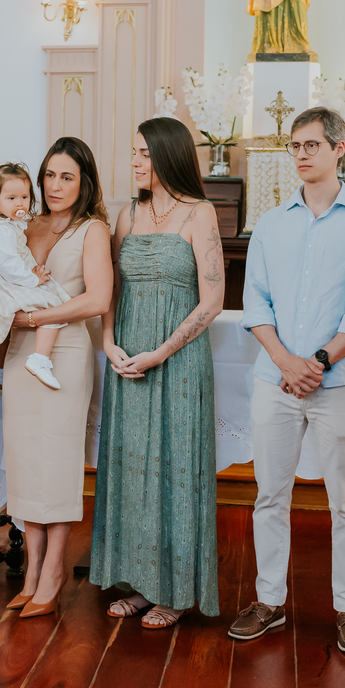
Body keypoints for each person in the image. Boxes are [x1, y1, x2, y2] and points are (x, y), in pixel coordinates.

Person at [230, 106, 345, 651]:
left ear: (338, 148)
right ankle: (270, 600)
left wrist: (318, 363)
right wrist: (285, 361)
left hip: (340, 381)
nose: (301, 154)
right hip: (275, 380)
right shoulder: (271, 222)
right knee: (269, 495)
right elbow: (255, 301)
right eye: (295, 146)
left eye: (311, 145)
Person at [90, 116, 224, 629]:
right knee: (133, 469)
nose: (135, 162)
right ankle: (140, 584)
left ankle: (176, 589)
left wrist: (161, 352)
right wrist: (109, 342)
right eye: (134, 152)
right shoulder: (127, 214)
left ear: (168, 156)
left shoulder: (199, 213)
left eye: (144, 153)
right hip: (127, 358)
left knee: (174, 467)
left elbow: (212, 300)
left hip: (177, 363)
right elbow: (111, 291)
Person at [1, 137, 113, 618]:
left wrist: (33, 320)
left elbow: (98, 300)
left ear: (84, 180)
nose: (55, 185)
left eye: (67, 176)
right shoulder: (25, 224)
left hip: (63, 352)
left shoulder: (93, 230)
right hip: (20, 352)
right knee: (24, 461)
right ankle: (30, 573)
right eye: (49, 175)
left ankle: (53, 574)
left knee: (58, 461)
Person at [0, 162, 71, 390]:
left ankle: (0, 370)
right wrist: (34, 279)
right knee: (51, 306)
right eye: (11, 198)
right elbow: (10, 267)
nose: (20, 204)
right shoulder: (2, 231)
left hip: (8, 280)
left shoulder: (4, 224)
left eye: (24, 197)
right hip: (7, 283)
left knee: (8, 330)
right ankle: (40, 359)